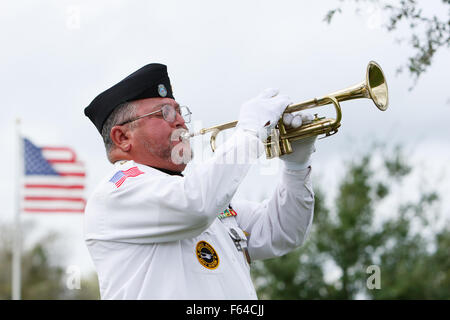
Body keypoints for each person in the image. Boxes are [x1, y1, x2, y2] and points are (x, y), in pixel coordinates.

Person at [83, 63, 316, 299]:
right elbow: (195, 204)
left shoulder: (192, 194)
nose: (180, 122)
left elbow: (283, 232)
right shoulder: (117, 191)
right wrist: (250, 132)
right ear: (122, 137)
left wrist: (296, 166)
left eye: (179, 111)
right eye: (164, 113)